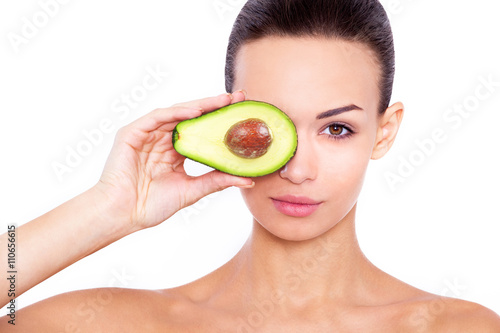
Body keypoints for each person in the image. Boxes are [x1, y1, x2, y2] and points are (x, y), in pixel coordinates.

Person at [1, 0, 499, 331]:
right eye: (264, 128)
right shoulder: (122, 322)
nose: (297, 170)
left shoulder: (461, 327)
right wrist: (107, 209)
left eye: (337, 129)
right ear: (226, 125)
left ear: (383, 132)